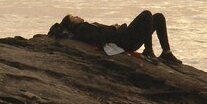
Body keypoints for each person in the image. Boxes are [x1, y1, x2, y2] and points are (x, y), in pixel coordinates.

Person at [48, 11, 180, 65]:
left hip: (124, 37)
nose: (77, 16)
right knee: (146, 15)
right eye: (74, 17)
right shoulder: (82, 28)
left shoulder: (87, 25)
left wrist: (112, 27)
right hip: (123, 40)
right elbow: (98, 38)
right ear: (72, 24)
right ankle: (148, 51)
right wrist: (115, 29)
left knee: (158, 17)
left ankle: (166, 53)